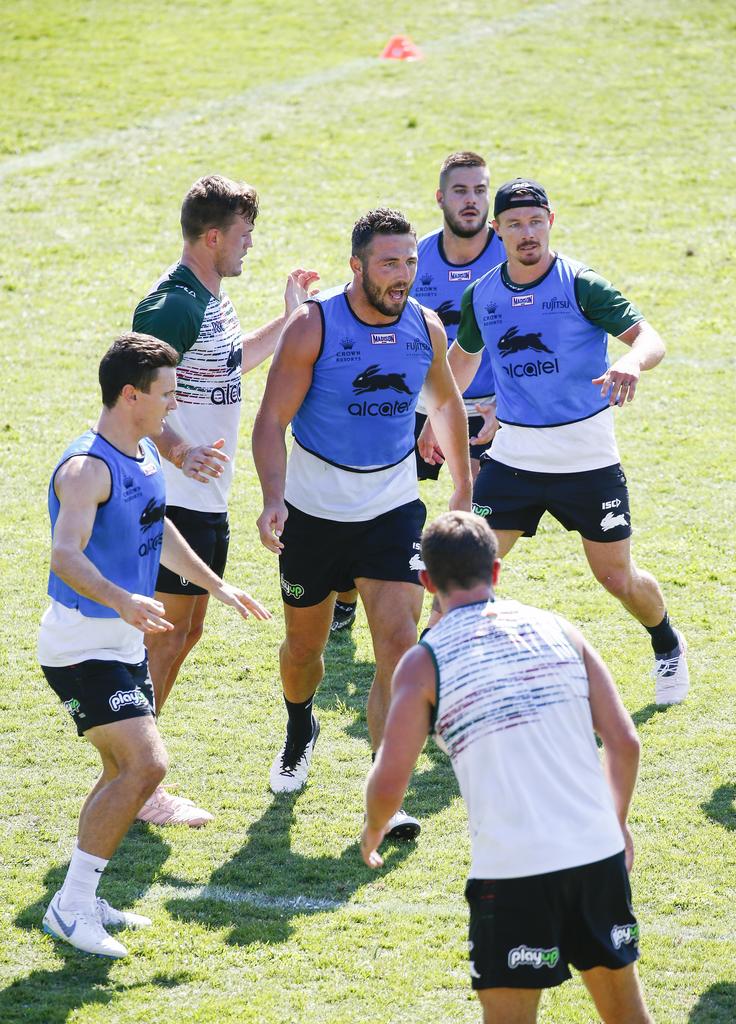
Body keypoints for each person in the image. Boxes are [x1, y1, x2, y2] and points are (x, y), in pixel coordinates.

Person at [362, 511, 652, 1024]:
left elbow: (390, 778)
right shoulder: (560, 630)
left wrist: (373, 827)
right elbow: (625, 743)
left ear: (426, 581)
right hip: (596, 855)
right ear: (496, 572)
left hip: (512, 872)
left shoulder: (423, 663)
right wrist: (618, 822)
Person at [39, 333, 270, 958]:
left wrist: (216, 585)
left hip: (118, 640)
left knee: (124, 770)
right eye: (167, 394)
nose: (174, 405)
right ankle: (69, 907)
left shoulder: (141, 453)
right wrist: (121, 598)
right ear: (130, 394)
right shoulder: (86, 468)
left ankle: (83, 901)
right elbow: (65, 554)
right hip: (83, 642)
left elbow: (155, 526)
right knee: (147, 766)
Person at [420, 178, 689, 704]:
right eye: (515, 224)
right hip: (515, 458)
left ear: (551, 222)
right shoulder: (484, 295)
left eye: (536, 221)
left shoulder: (581, 284)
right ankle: (436, 686)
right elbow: (464, 358)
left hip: (586, 459)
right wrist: (434, 415)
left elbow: (649, 338)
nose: (527, 234)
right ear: (496, 231)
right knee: (463, 568)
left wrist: (630, 362)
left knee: (617, 578)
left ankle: (667, 643)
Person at [252, 208, 472, 839]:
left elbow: (445, 404)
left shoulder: (423, 327)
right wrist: (274, 500)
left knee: (399, 646)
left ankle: (386, 788)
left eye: (409, 262)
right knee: (304, 651)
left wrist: (461, 483)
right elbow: (270, 423)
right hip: (314, 514)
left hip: (392, 508)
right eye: (388, 263)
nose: (403, 275)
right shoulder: (312, 327)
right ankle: (301, 725)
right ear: (357, 267)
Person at [132, 174, 318, 825]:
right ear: (212, 237)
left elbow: (227, 363)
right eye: (242, 235)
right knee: (166, 637)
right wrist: (178, 446)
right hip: (173, 498)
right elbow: (130, 382)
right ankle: (136, 780)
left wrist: (292, 315)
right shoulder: (174, 303)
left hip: (204, 500)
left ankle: (136, 771)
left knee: (182, 634)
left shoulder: (209, 301)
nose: (249, 246)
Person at [330, 151, 506, 635]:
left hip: (485, 409)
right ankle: (346, 593)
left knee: (468, 507)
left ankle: (444, 620)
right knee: (369, 498)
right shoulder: (414, 258)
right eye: (460, 191)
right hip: (409, 404)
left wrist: (506, 405)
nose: (471, 202)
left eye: (479, 191)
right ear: (440, 197)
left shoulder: (510, 259)